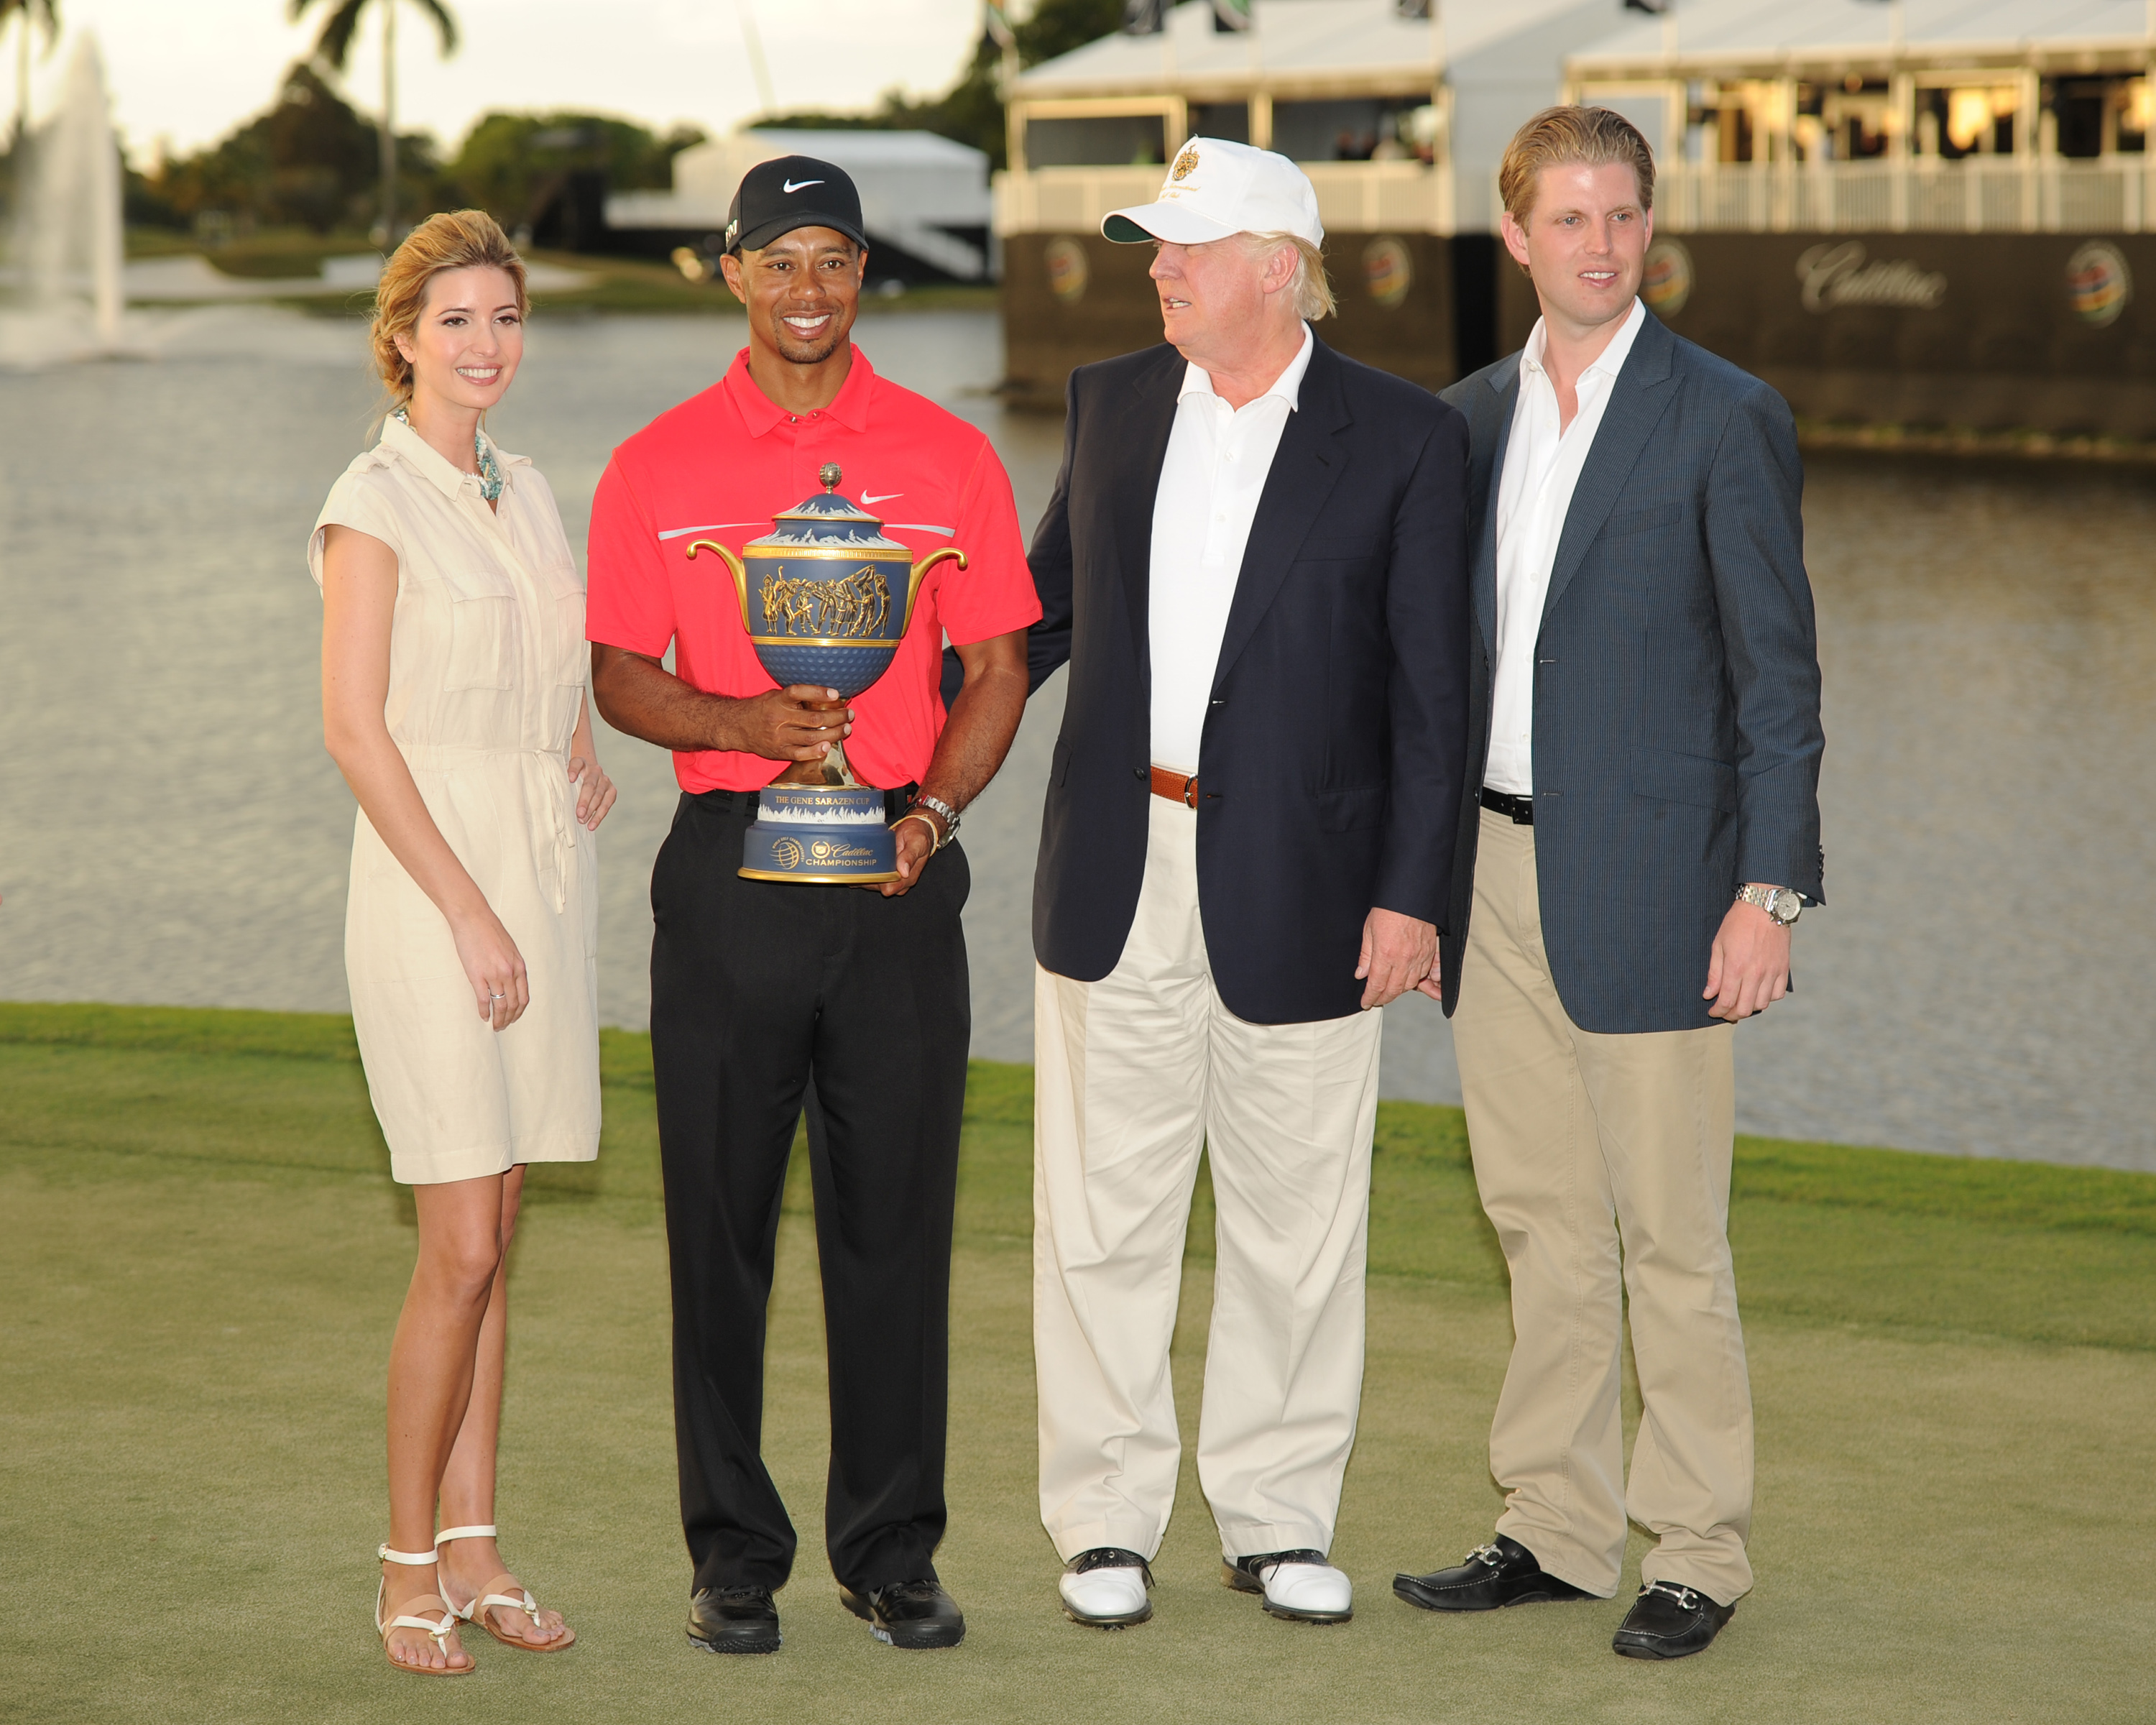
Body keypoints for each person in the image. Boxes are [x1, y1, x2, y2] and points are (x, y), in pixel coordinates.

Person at [586, 157, 1038, 1656]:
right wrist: (740, 718)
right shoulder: (654, 465)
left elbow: (998, 668)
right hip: (728, 879)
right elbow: (616, 675)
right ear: (731, 273)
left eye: (832, 260)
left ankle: (891, 1549)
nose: (807, 290)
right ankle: (733, 1556)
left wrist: (939, 811)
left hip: (898, 885)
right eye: (777, 261)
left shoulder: (946, 453)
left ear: (862, 276)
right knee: (717, 1229)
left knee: (896, 1228)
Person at [1391, 106, 1824, 1661]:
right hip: (1490, 876)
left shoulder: (1724, 415)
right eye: (1568, 220)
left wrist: (1767, 894)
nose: (1600, 246)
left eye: (1623, 217)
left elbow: (1780, 682)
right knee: (1539, 1220)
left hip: (1661, 881)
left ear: (1651, 225)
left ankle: (1697, 1545)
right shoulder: (1463, 425)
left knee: (1669, 1238)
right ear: (1514, 236)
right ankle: (1557, 1528)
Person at [1023, 137, 1471, 1630]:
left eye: (1191, 247)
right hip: (1117, 866)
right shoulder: (1107, 406)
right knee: (1102, 1215)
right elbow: (1029, 627)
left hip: (1319, 887)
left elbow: (1433, 699)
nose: (1161, 266)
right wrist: (896, 763)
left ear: (1279, 265)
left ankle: (1277, 1521)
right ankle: (1104, 1523)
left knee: (1297, 1224)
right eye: (1159, 245)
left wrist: (1415, 896)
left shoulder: (1407, 439)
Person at [313, 209, 615, 1677]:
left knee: (499, 1241)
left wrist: (572, 743)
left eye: (505, 319)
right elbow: (357, 730)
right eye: (456, 323)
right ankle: (403, 1566)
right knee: (456, 1245)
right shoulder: (371, 503)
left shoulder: (534, 489)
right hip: (438, 894)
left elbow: (544, 656)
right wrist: (472, 904)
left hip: (540, 871)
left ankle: (480, 1542)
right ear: (403, 339)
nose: (486, 346)